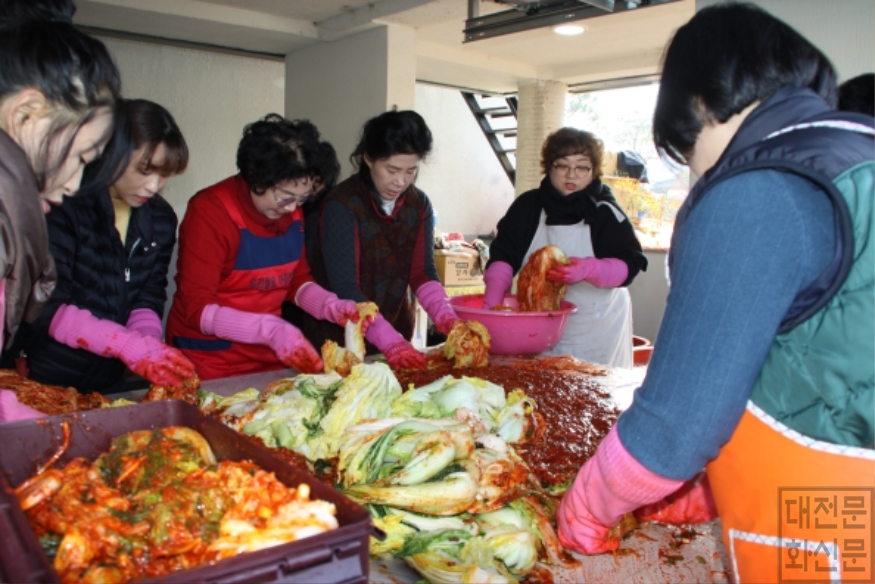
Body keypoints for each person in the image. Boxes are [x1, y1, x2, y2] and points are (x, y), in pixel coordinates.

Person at [556, 5, 874, 583]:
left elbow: (676, 425)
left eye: (685, 154)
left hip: (836, 530)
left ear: (699, 103)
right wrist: (715, 480)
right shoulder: (855, 155)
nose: (696, 173)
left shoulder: (756, 190)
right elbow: (819, 359)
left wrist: (589, 503)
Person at [13, 99, 196, 393]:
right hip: (42, 375)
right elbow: (44, 306)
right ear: (111, 155)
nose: (154, 186)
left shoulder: (160, 218)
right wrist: (125, 344)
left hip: (106, 382)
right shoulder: (62, 205)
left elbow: (147, 296)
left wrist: (147, 346)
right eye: (144, 170)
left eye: (164, 175)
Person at [166, 114, 359, 380]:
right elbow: (197, 310)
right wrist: (269, 330)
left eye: (302, 199)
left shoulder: (290, 212)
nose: (292, 208)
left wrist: (330, 306)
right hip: (208, 362)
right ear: (255, 176)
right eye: (284, 197)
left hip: (267, 359)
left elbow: (296, 282)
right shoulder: (209, 212)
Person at [303, 110, 461, 371]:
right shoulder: (342, 205)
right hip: (340, 342)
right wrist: (388, 339)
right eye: (392, 169)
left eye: (411, 171)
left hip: (395, 336)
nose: (400, 181)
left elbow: (422, 272)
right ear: (368, 159)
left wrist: (447, 318)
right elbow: (345, 287)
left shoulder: (418, 204)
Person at [483, 128, 647, 368]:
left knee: (594, 390)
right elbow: (504, 255)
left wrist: (591, 269)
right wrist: (491, 308)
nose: (572, 175)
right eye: (562, 165)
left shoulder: (604, 211)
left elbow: (630, 265)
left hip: (596, 329)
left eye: (582, 167)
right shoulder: (528, 206)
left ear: (594, 171)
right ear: (549, 167)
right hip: (538, 330)